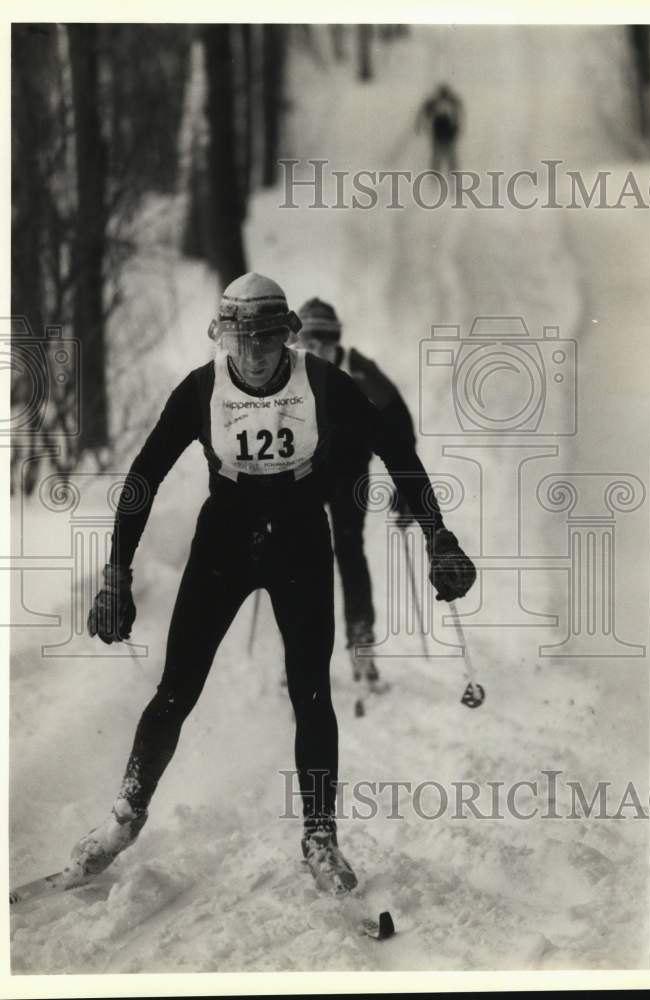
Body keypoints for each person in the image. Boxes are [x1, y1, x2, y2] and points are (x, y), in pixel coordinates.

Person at [69, 272, 476, 896]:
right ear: (223, 337)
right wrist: (115, 573)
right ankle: (123, 820)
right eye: (240, 340)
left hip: (300, 539)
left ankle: (319, 835)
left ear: (287, 337)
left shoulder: (323, 382)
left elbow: (396, 447)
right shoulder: (202, 388)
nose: (253, 355)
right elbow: (142, 478)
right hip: (224, 539)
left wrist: (437, 536)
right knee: (177, 688)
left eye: (265, 340)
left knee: (312, 692)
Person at [294, 297, 415, 701]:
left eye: (325, 341)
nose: (318, 350)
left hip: (349, 472)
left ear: (336, 340)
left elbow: (399, 424)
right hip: (305, 473)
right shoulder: (289, 369)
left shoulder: (360, 370)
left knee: (349, 550)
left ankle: (361, 644)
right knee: (306, 558)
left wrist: (408, 487)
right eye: (309, 342)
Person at [416, 82, 464, 174]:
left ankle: (449, 171)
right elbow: (425, 111)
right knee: (441, 153)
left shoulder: (449, 101)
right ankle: (440, 172)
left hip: (446, 131)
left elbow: (458, 114)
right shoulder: (438, 102)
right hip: (441, 131)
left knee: (446, 153)